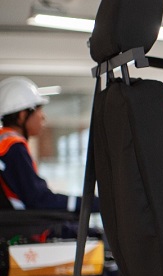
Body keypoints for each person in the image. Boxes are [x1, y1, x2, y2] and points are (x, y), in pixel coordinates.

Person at [0, 76, 99, 213]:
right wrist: (90, 204)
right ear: (22, 115)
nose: (43, 117)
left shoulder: (4, 143)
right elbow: (40, 200)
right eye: (39, 111)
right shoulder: (12, 147)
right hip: (25, 228)